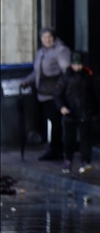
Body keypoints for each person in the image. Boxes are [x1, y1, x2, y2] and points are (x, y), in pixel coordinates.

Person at [20, 28, 72, 160]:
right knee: (52, 121)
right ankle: (54, 148)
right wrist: (26, 81)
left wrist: (61, 87)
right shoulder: (41, 52)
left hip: (55, 93)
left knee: (56, 122)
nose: (47, 40)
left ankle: (56, 149)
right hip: (43, 93)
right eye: (44, 37)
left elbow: (67, 71)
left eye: (49, 37)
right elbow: (37, 72)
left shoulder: (61, 51)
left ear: (54, 38)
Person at [57, 51, 95, 174]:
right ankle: (68, 160)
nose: (77, 67)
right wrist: (62, 107)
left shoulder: (87, 75)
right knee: (69, 139)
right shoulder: (66, 76)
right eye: (75, 64)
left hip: (84, 111)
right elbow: (58, 94)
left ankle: (85, 161)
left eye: (79, 64)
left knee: (85, 138)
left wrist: (94, 110)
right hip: (70, 112)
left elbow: (93, 95)